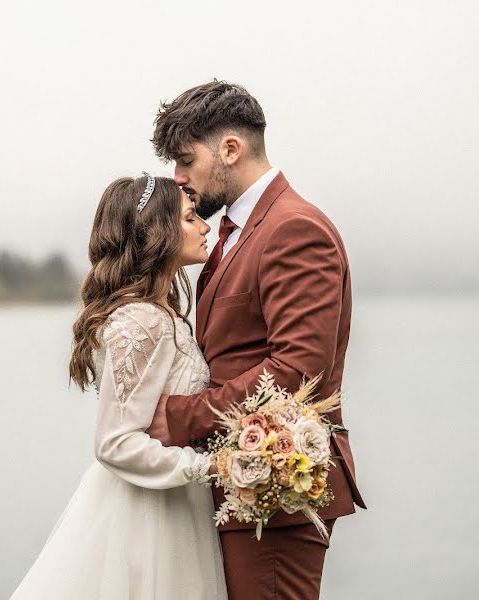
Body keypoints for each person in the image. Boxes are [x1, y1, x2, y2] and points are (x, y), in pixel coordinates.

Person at [146, 80, 367, 599]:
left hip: (278, 489)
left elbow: (296, 372)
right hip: (236, 484)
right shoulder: (234, 234)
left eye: (185, 160)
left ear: (229, 149)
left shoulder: (294, 229)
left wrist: (178, 416)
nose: (178, 179)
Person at [9, 174, 228, 600]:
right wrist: (211, 467)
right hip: (149, 518)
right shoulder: (143, 320)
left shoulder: (161, 314)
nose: (205, 226)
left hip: (173, 507)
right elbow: (114, 443)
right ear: (157, 232)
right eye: (189, 218)